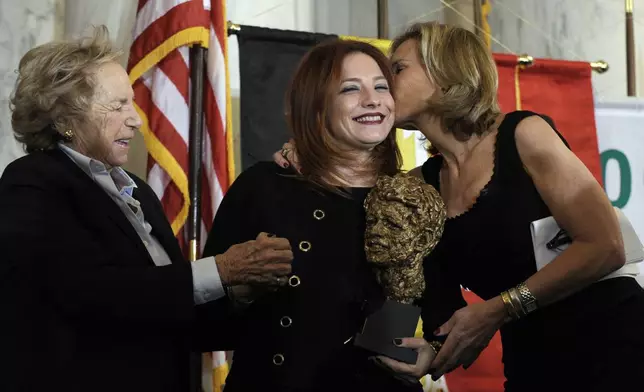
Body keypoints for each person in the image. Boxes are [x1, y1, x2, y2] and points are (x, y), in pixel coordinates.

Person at [275, 22, 644, 392]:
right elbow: (435, 308)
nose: (385, 82)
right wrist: (430, 353)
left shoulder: (524, 134)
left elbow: (605, 247)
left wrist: (498, 309)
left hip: (615, 343)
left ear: (445, 70)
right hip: (532, 361)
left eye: (397, 69)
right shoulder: (416, 188)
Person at [0, 26, 293, 392]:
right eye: (118, 104)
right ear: (64, 119)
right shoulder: (31, 182)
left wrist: (237, 291)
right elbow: (91, 294)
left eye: (132, 102)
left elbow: (168, 310)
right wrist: (221, 269)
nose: (136, 118)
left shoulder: (138, 191)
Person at [202, 39, 427, 392]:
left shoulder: (413, 197)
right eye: (351, 89)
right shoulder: (263, 185)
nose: (372, 99)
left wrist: (433, 351)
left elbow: (435, 311)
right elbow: (205, 323)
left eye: (381, 87)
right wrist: (243, 288)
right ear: (317, 106)